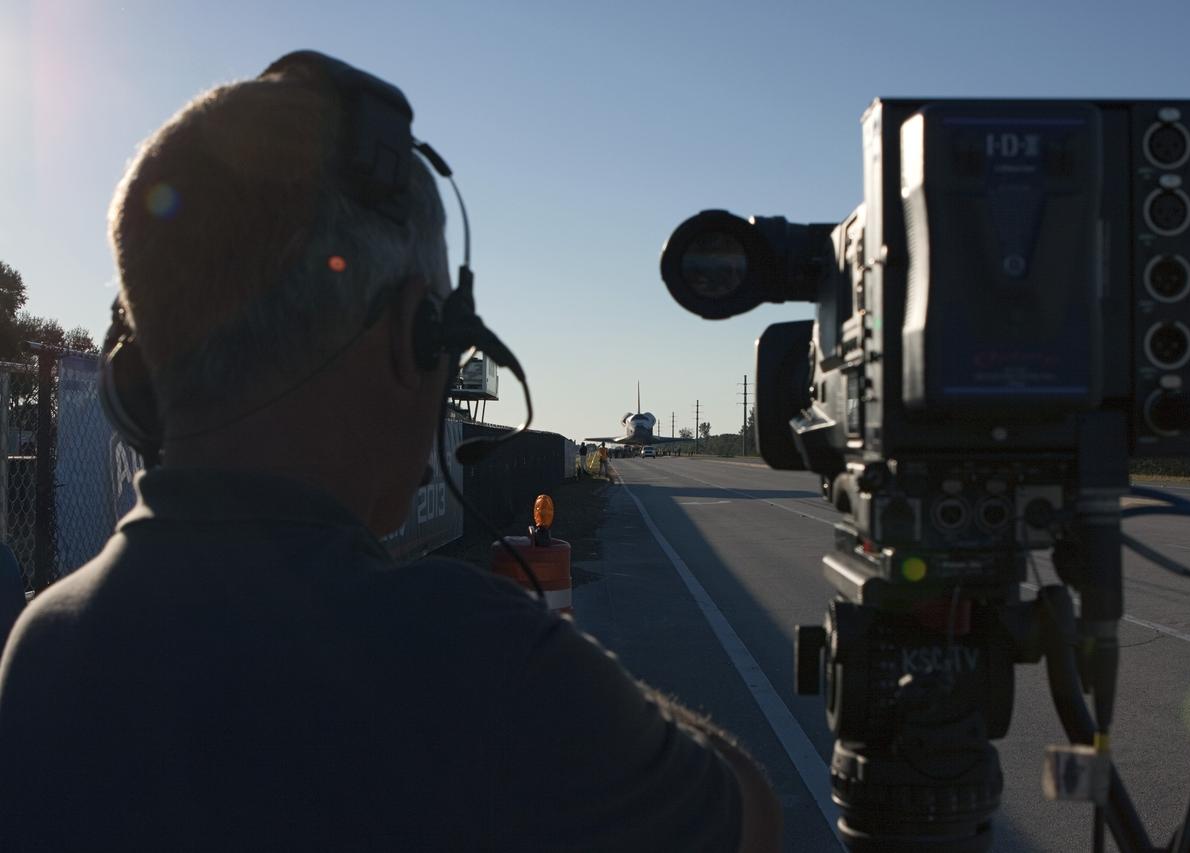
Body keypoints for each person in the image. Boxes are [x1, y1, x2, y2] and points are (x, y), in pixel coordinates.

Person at [0, 53, 780, 851]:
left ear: (134, 379)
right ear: (414, 339)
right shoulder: (489, 665)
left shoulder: (42, 646)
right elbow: (749, 817)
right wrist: (556, 652)